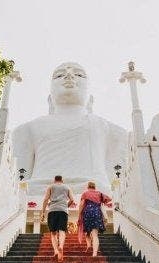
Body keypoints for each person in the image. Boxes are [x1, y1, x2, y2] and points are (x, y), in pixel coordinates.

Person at [12, 62, 128, 196]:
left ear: (90, 99)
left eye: (78, 74)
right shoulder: (27, 129)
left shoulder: (110, 129)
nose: (69, 76)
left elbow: (116, 177)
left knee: (100, 188)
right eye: (59, 75)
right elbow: (20, 176)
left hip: (93, 190)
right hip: (40, 189)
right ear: (50, 98)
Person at [41, 175, 74, 262]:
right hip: (63, 211)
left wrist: (43, 213)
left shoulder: (51, 187)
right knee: (62, 231)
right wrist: (65, 206)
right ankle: (61, 246)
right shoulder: (67, 187)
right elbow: (72, 200)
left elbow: (45, 200)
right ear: (62, 180)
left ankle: (56, 250)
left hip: (52, 210)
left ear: (54, 180)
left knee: (53, 233)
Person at [78, 181, 111, 257]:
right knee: (95, 234)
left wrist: (79, 214)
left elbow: (81, 204)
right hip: (96, 213)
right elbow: (108, 199)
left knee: (87, 232)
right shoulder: (99, 193)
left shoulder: (85, 193)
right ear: (94, 187)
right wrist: (99, 202)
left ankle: (89, 245)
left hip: (87, 213)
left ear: (88, 187)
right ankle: (94, 253)